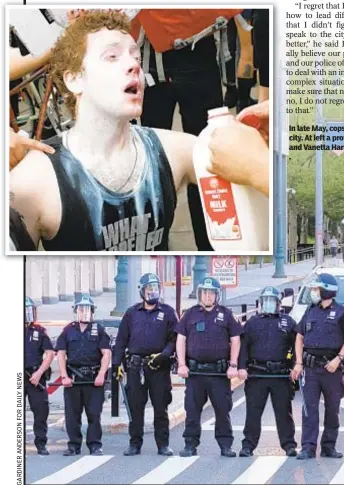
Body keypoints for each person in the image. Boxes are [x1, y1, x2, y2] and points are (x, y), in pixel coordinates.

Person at [8, 10, 267, 251]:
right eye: (112, 56)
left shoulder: (177, 150)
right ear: (75, 78)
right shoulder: (32, 184)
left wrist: (260, 152)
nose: (134, 65)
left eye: (136, 56)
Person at [132, 8, 243, 251]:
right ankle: (167, 245)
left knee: (201, 159)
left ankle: (209, 243)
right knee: (156, 162)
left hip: (189, 49)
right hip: (155, 57)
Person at [291, 273, 344, 460]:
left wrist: (338, 359)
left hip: (332, 369)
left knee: (332, 409)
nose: (313, 292)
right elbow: (299, 337)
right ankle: (308, 447)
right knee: (309, 409)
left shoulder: (343, 313)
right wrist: (298, 363)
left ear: (326, 291)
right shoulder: (310, 311)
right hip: (310, 369)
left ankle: (329, 446)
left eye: (316, 289)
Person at [112, 273, 178, 456]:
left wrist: (164, 355)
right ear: (142, 291)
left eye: (155, 288)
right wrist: (116, 364)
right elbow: (121, 341)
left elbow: (175, 339)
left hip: (158, 367)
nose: (152, 292)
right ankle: (135, 444)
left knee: (160, 408)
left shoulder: (168, 312)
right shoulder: (131, 313)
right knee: (135, 409)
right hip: (135, 368)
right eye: (149, 288)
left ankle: (162, 445)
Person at [176, 276, 242, 457]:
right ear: (199, 294)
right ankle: (190, 444)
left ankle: (225, 446)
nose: (207, 296)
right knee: (192, 410)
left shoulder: (226, 314)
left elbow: (235, 340)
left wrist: (233, 365)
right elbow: (181, 340)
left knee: (222, 410)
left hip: (219, 373)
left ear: (216, 295)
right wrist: (181, 364)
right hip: (195, 373)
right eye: (204, 293)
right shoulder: (189, 314)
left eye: (211, 293)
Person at [238, 286, 298, 457]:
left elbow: (296, 346)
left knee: (283, 412)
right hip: (257, 374)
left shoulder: (288, 322)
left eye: (272, 301)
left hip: (280, 374)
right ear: (261, 303)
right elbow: (244, 347)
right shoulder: (252, 323)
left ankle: (289, 445)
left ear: (278, 303)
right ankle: (248, 445)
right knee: (253, 412)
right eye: (265, 301)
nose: (268, 304)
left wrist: (296, 365)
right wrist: (241, 367)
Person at [56, 294, 111, 456]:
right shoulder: (68, 330)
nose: (84, 312)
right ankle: (73, 445)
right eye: (81, 309)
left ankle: (95, 445)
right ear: (76, 311)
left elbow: (106, 354)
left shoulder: (99, 330)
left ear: (93, 312)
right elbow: (61, 353)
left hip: (93, 379)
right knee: (72, 415)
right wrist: (64, 376)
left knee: (94, 413)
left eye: (87, 309)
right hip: (73, 378)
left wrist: (101, 374)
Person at [24, 297, 55, 455]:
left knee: (41, 411)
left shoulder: (39, 331)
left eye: (31, 310)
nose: (29, 314)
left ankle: (41, 443)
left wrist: (39, 372)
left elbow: (50, 353)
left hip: (35, 376)